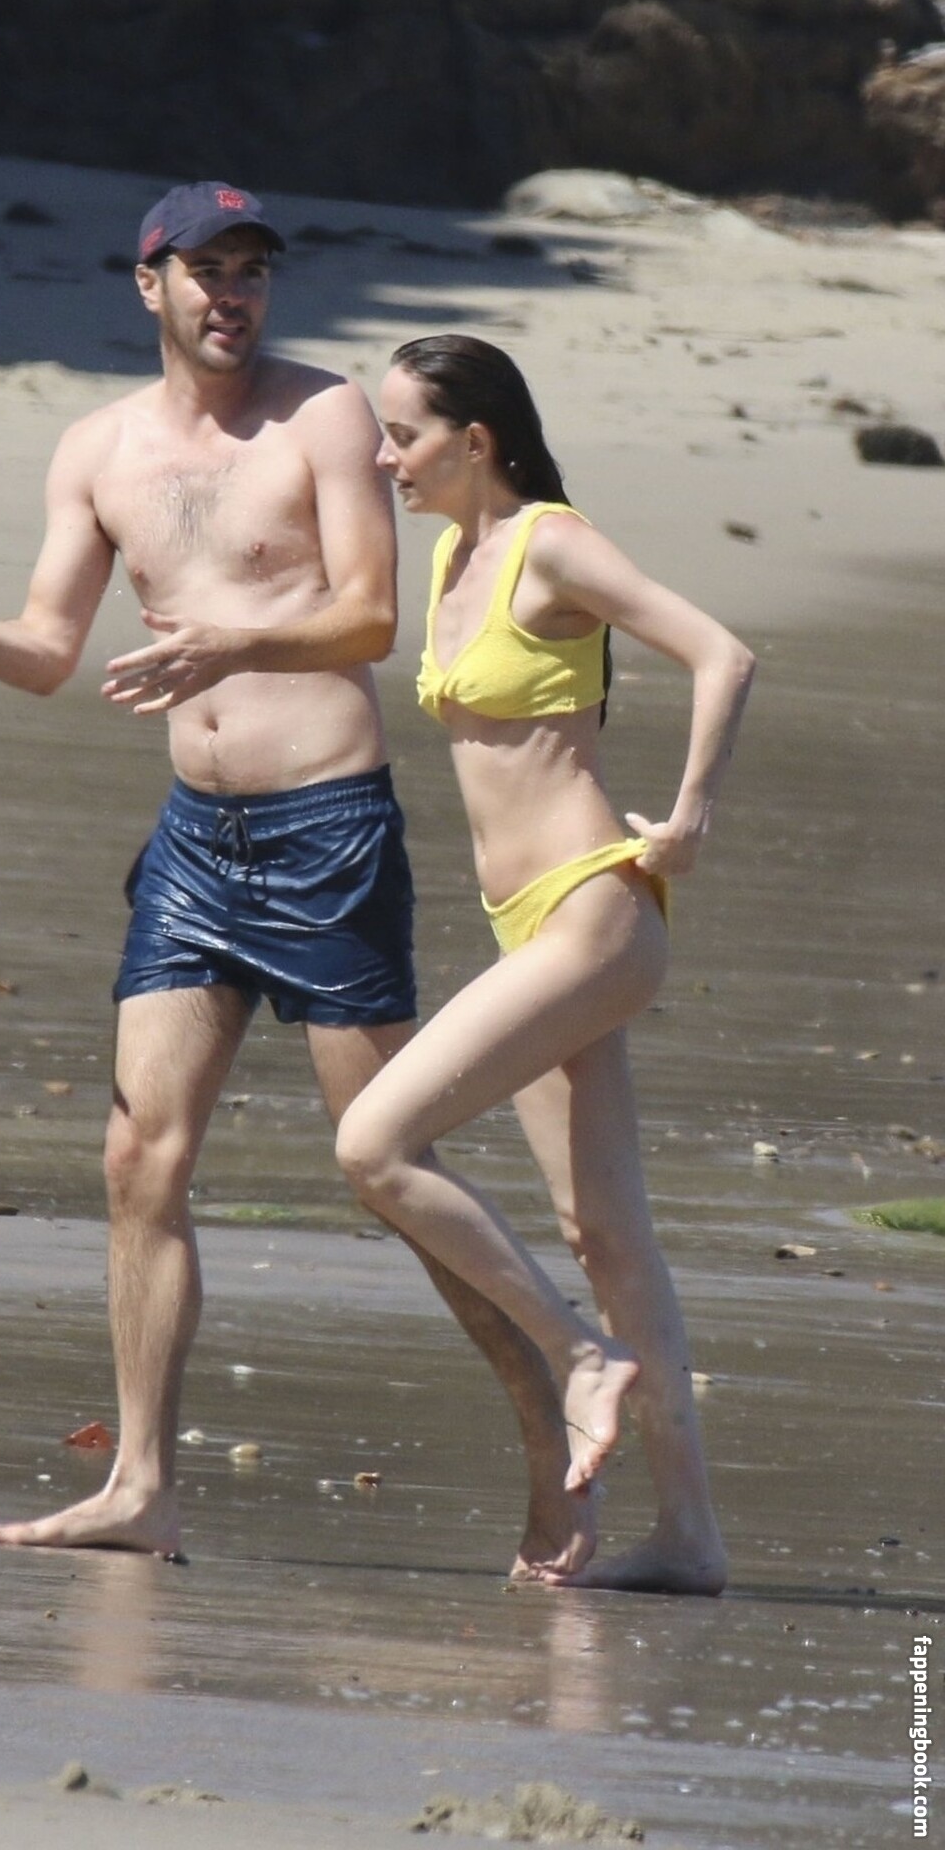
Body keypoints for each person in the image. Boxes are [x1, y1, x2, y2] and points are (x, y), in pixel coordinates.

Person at [0, 183, 597, 1574]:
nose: (232, 294)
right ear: (151, 284)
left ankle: (556, 1444)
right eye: (207, 270)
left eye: (252, 270)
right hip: (195, 845)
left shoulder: (324, 418)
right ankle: (140, 1486)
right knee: (139, 1157)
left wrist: (228, 644)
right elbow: (50, 649)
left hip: (327, 835)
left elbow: (368, 616)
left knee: (389, 1169)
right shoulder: (96, 450)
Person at [336, 334, 755, 1594]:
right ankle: (689, 1536)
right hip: (525, 921)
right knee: (603, 1234)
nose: (383, 458)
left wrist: (688, 818)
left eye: (402, 434)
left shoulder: (548, 543)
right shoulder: (450, 556)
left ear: (473, 441)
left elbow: (721, 653)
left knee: (373, 1144)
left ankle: (579, 1357)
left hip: (591, 912)